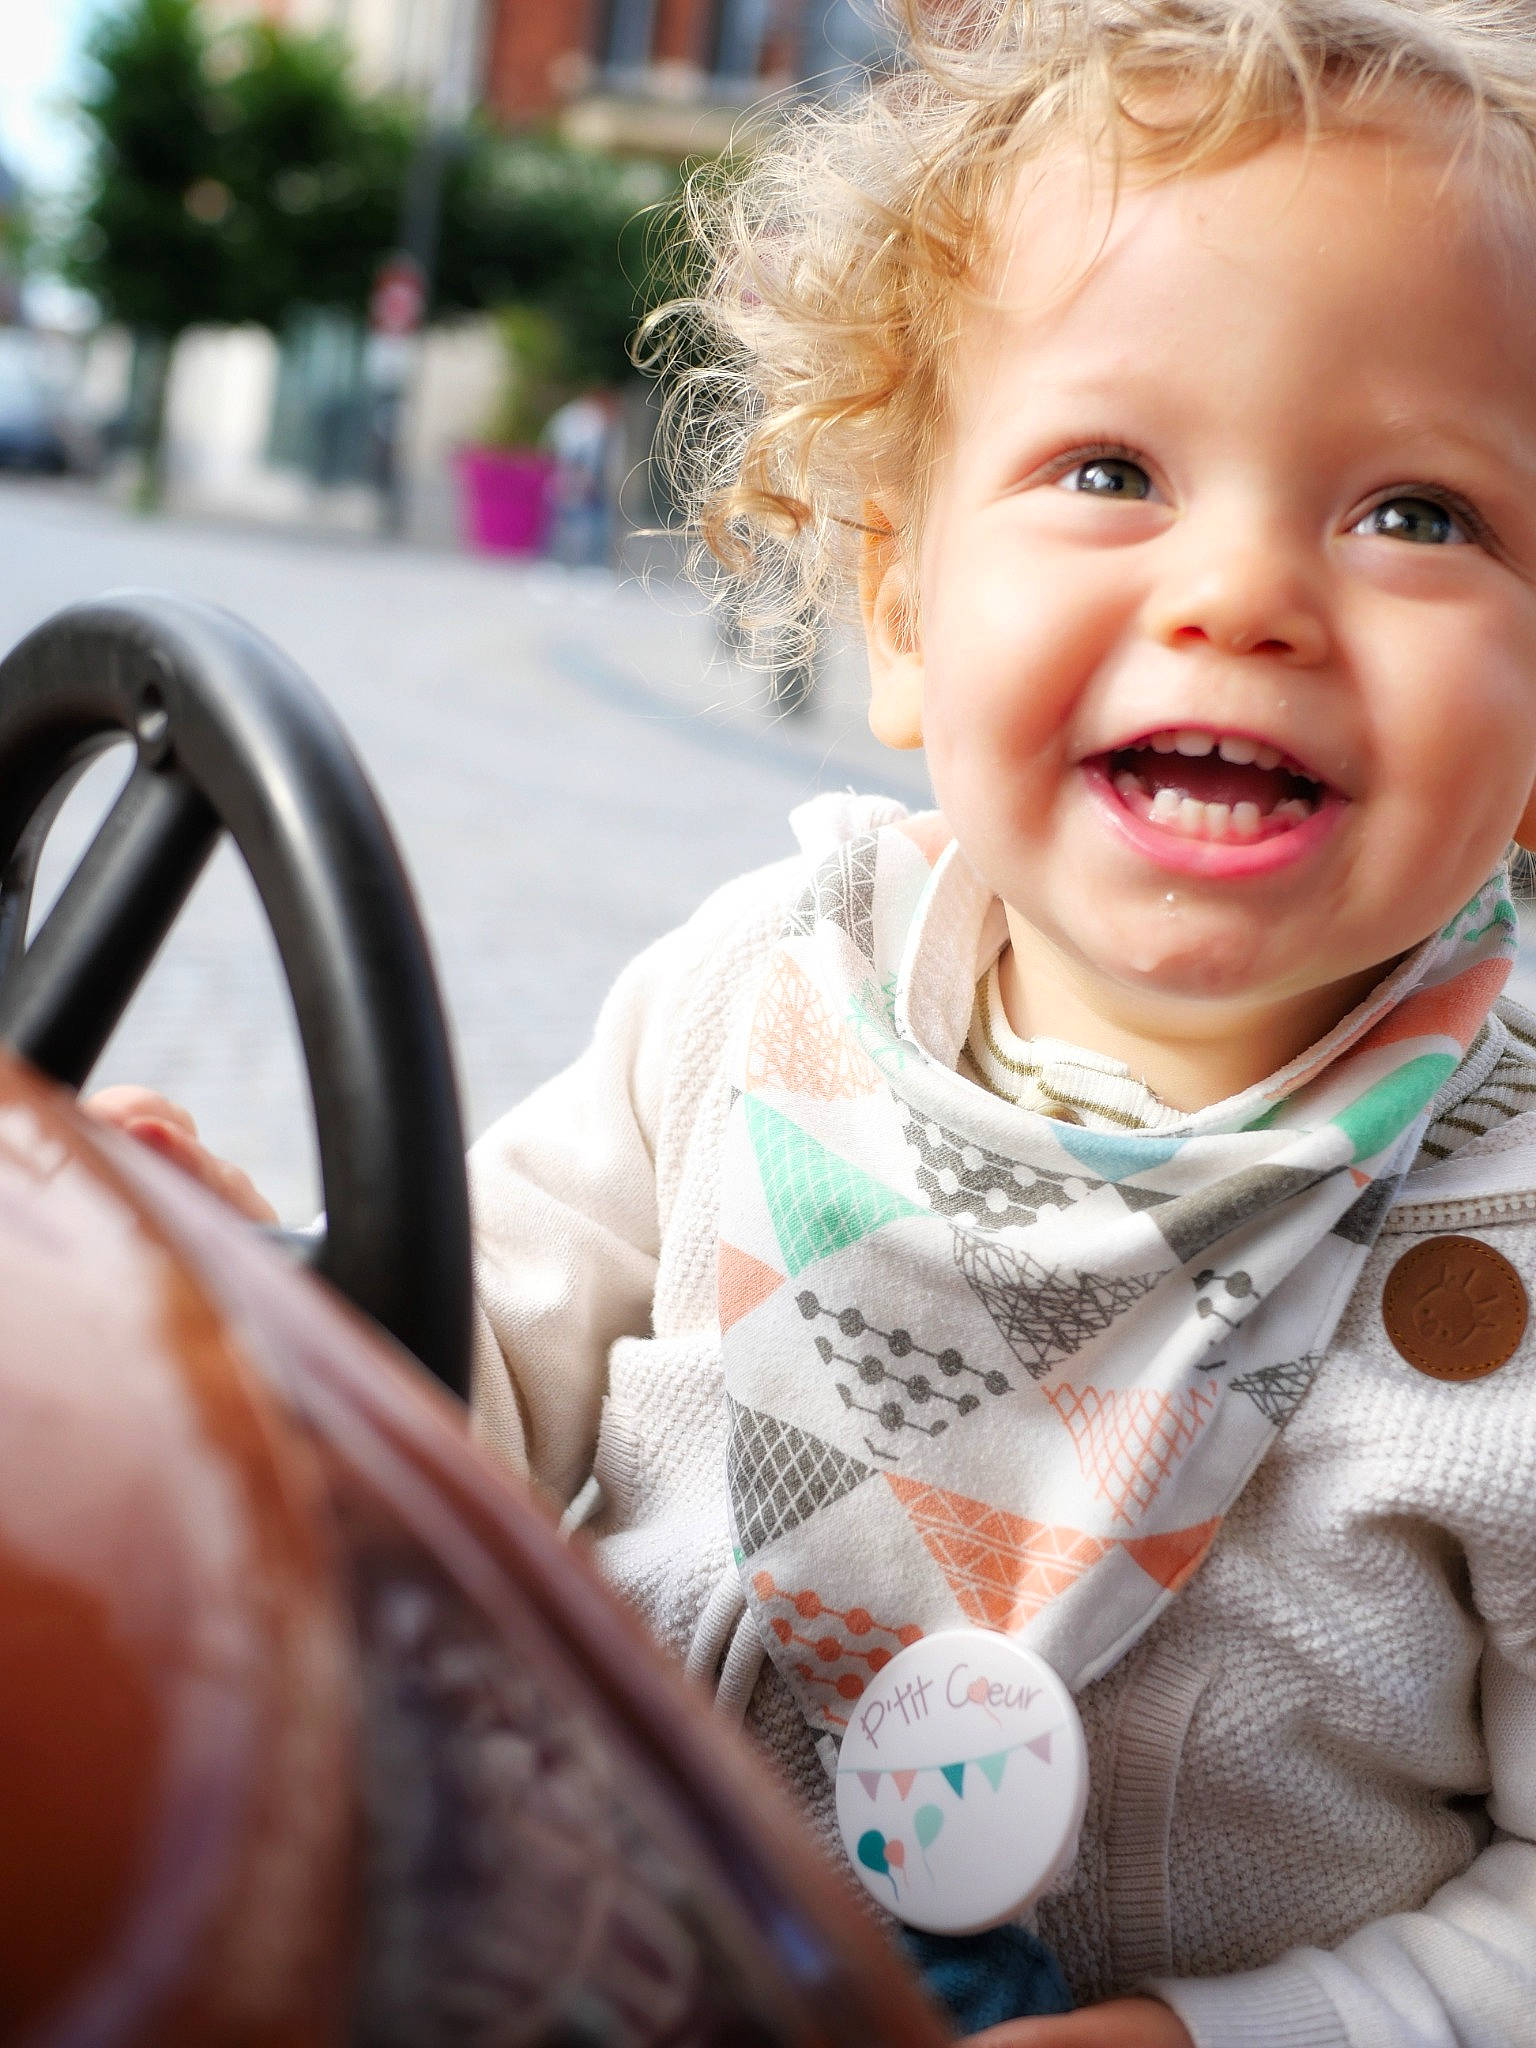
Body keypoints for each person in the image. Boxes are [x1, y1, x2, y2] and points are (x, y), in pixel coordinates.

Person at [91, 2, 1536, 2040]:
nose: (1243, 591)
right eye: (1112, 469)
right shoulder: (750, 990)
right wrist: (258, 1320)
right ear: (900, 611)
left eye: (1416, 514)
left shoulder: (1514, 1220)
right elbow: (461, 1366)